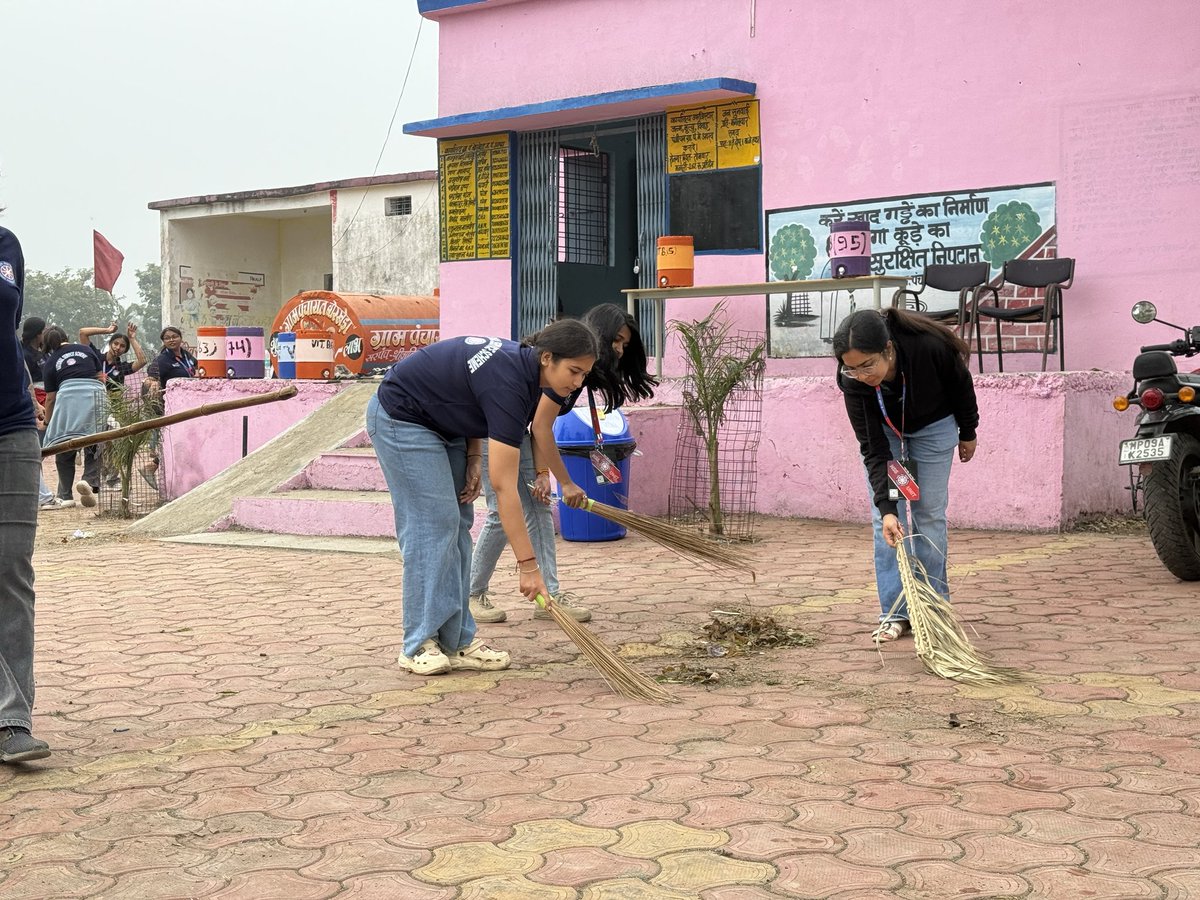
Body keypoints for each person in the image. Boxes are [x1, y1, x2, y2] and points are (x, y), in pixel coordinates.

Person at [367, 320, 598, 676]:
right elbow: (505, 487)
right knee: (434, 525)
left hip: (448, 425)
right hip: (403, 417)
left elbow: (468, 398)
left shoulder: (529, 376)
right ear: (547, 357)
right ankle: (417, 644)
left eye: (584, 375)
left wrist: (474, 457)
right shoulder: (509, 381)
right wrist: (528, 568)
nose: (578, 383)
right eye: (574, 371)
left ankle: (457, 641)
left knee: (459, 526)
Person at [468, 303, 658, 625]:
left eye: (625, 345)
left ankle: (548, 597)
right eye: (617, 341)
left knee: (537, 509)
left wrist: (543, 474)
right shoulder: (565, 367)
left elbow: (536, 425)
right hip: (492, 428)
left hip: (517, 430)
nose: (620, 350)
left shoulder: (579, 372)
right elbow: (541, 427)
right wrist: (565, 482)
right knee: (503, 513)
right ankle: (471, 594)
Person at [833, 307, 978, 643]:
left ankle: (933, 609)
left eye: (868, 365)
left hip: (934, 427)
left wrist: (967, 431)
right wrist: (885, 508)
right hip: (890, 436)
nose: (862, 375)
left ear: (888, 349)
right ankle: (896, 612)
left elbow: (961, 385)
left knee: (927, 515)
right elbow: (874, 449)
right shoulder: (852, 380)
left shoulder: (927, 346)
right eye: (852, 369)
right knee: (891, 522)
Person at [0, 222, 52, 762]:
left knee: (11, 569)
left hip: (11, 426)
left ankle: (13, 720)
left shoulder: (4, 243)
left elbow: (4, 313)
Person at [41, 326, 108, 506]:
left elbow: (50, 398)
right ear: (66, 336)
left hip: (68, 398)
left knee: (63, 444)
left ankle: (65, 495)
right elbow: (100, 376)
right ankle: (89, 480)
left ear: (47, 344)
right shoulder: (86, 349)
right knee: (95, 439)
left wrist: (47, 423)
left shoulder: (51, 361)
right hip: (95, 395)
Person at [19, 316, 69, 509]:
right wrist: (36, 405)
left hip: (45, 400)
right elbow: (28, 383)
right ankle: (41, 496)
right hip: (38, 401)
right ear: (38, 332)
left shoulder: (43, 354)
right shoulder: (23, 354)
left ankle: (42, 494)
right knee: (36, 450)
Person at [81, 321, 147, 390]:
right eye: (115, 343)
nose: (118, 348)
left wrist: (131, 339)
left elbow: (142, 361)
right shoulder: (96, 356)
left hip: (112, 400)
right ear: (110, 344)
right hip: (92, 397)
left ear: (125, 351)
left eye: (122, 346)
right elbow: (83, 333)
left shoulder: (122, 367)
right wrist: (108, 330)